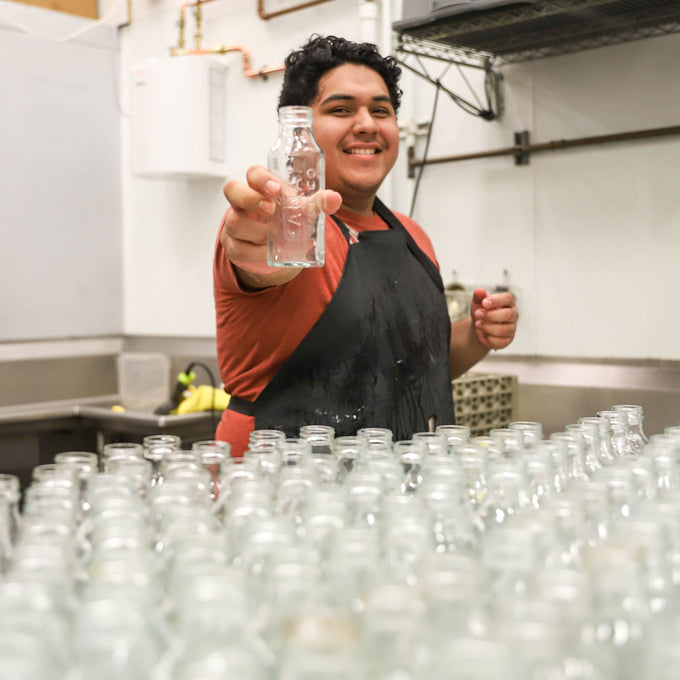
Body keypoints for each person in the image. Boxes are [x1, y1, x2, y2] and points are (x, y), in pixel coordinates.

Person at [213, 34, 519, 457]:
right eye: (341, 109)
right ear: (298, 125)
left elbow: (412, 368)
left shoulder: (413, 235)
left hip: (400, 486)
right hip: (283, 492)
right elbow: (258, 261)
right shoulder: (278, 225)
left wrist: (479, 335)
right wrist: (257, 249)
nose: (367, 124)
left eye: (381, 110)